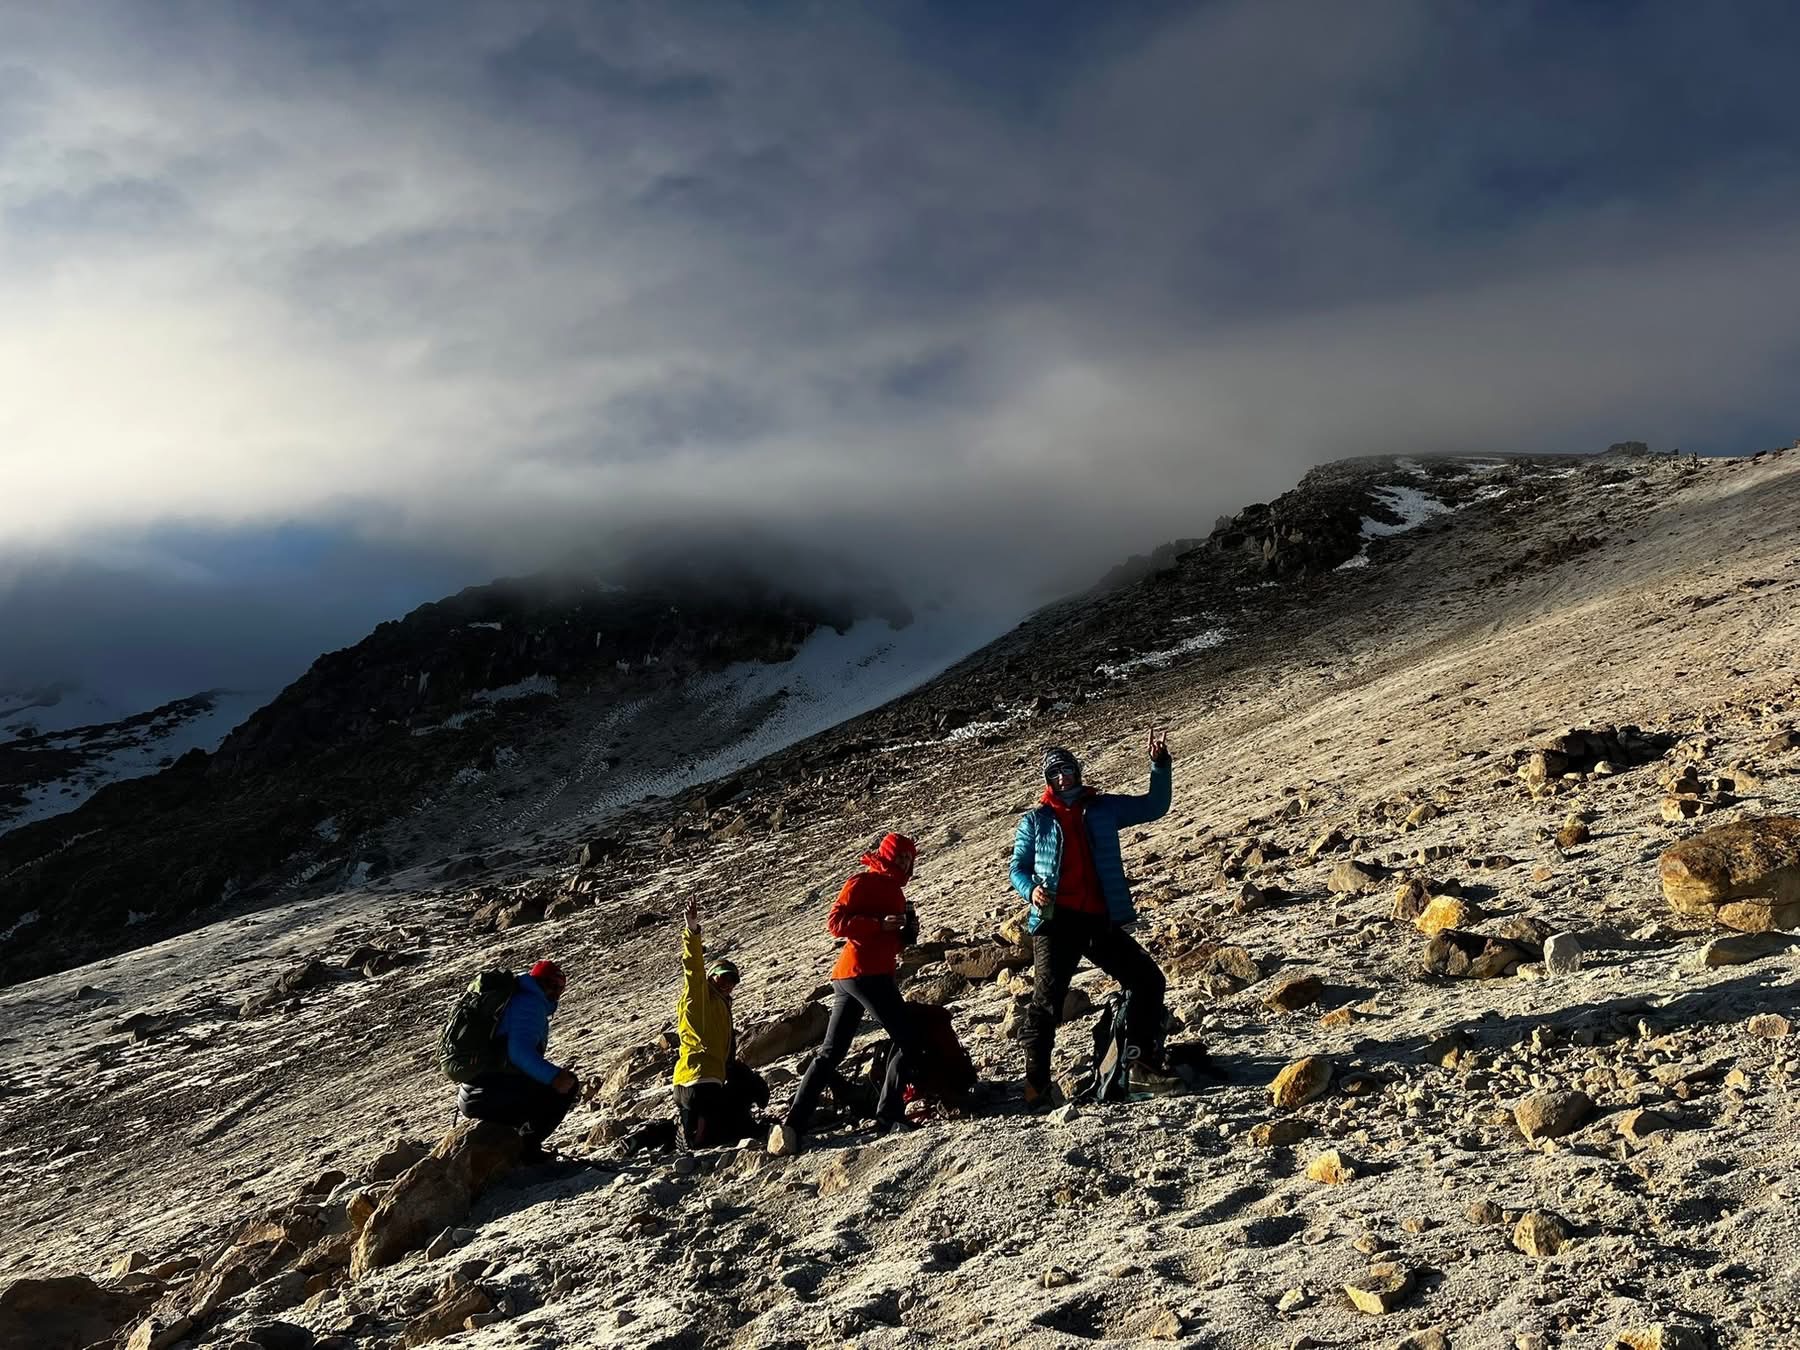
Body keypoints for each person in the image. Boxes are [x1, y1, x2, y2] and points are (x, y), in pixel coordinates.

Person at [1010, 732, 1180, 1107]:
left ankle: (1139, 1067)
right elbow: (1017, 868)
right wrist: (1030, 890)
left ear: (1077, 771)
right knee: (1046, 1003)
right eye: (1054, 773)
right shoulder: (1036, 821)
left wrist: (1159, 765)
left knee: (1147, 980)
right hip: (1055, 922)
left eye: (1067, 770)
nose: (1062, 777)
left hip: (1096, 919)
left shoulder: (1102, 808)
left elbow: (1154, 806)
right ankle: (1036, 1086)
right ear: (1048, 780)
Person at [770, 833, 923, 1154]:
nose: (904, 863)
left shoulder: (896, 891)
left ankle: (794, 1124)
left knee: (832, 1052)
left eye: (908, 858)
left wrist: (905, 935)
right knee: (909, 1039)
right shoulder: (861, 882)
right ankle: (889, 1114)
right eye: (899, 856)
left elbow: (887, 941)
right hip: (866, 974)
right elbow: (836, 923)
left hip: (854, 976)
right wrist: (879, 924)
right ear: (886, 855)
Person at [456, 959, 580, 1159]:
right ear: (538, 981)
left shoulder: (518, 998)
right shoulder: (529, 1004)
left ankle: (518, 1146)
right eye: (552, 984)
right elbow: (519, 1053)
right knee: (567, 1085)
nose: (556, 992)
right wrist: (555, 1077)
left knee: (540, 1086)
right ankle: (528, 1151)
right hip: (489, 1094)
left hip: (475, 1091)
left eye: (561, 987)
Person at [672, 898, 767, 1150]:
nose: (727, 984)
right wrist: (692, 931)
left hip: (703, 1080)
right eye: (722, 978)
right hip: (698, 1080)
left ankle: (682, 1130)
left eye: (732, 981)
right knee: (720, 1135)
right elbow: (693, 969)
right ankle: (693, 1134)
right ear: (711, 978)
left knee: (744, 1089)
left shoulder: (721, 1006)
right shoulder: (699, 997)